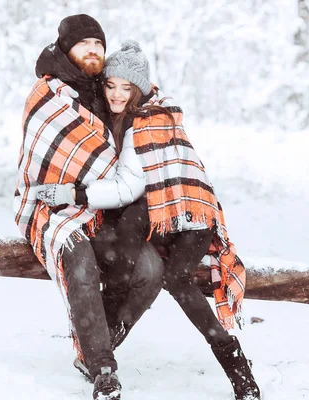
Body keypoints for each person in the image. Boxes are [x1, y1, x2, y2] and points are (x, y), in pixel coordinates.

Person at [38, 41, 261, 400]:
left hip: (192, 216)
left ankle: (237, 370)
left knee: (164, 271)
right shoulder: (141, 115)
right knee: (147, 254)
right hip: (172, 214)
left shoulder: (144, 122)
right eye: (111, 85)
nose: (116, 94)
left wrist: (76, 195)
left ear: (139, 89)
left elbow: (128, 186)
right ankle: (238, 374)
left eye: (126, 88)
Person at [13, 17, 165, 400]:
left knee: (150, 270)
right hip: (52, 205)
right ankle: (103, 367)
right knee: (77, 256)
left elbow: (132, 121)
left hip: (103, 204)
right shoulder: (50, 93)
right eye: (85, 43)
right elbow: (50, 154)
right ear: (66, 48)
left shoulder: (106, 88)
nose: (94, 49)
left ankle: (96, 343)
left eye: (99, 42)